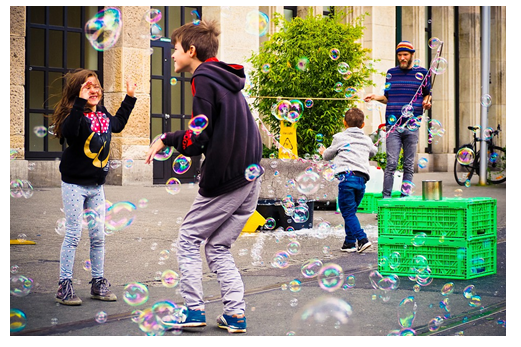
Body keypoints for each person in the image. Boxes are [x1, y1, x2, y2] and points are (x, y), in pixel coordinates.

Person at [145, 20, 263, 334]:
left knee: (188, 239)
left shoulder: (204, 78)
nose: (171, 55)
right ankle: (235, 314)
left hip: (227, 177)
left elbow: (198, 138)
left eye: (175, 49)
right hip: (250, 177)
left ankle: (193, 310)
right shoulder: (227, 79)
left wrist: (167, 138)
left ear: (191, 50)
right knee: (217, 247)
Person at [50, 68, 137, 305]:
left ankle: (97, 282)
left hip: (97, 186)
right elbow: (70, 133)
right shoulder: (74, 115)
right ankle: (64, 285)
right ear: (77, 92)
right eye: (87, 86)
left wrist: (129, 97)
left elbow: (117, 125)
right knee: (73, 234)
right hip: (74, 185)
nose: (94, 89)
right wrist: (79, 104)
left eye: (96, 86)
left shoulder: (102, 114)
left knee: (98, 235)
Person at [364, 41, 432, 198]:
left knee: (408, 165)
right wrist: (375, 97)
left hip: (412, 125)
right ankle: (386, 201)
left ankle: (404, 200)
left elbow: (427, 94)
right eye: (400, 55)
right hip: (393, 125)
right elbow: (388, 98)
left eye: (405, 55)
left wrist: (427, 101)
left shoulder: (422, 73)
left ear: (412, 55)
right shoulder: (391, 73)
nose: (402, 58)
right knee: (391, 164)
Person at [319, 108, 377, 253]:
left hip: (347, 179)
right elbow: (373, 152)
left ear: (344, 123)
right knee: (351, 211)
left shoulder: (340, 137)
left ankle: (362, 239)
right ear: (363, 125)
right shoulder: (367, 139)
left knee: (348, 212)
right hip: (361, 180)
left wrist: (322, 152)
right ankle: (349, 243)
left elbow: (327, 156)